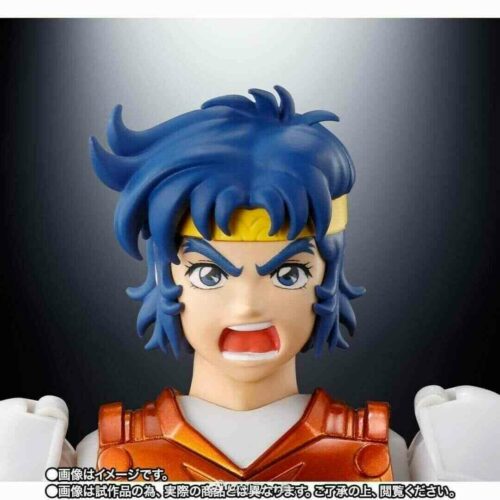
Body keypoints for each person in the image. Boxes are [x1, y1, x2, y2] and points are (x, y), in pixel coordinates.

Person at [1, 87, 498, 481]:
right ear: (166, 274)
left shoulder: (390, 454)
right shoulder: (102, 458)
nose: (247, 306)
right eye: (210, 274)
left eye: (287, 274)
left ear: (327, 275)